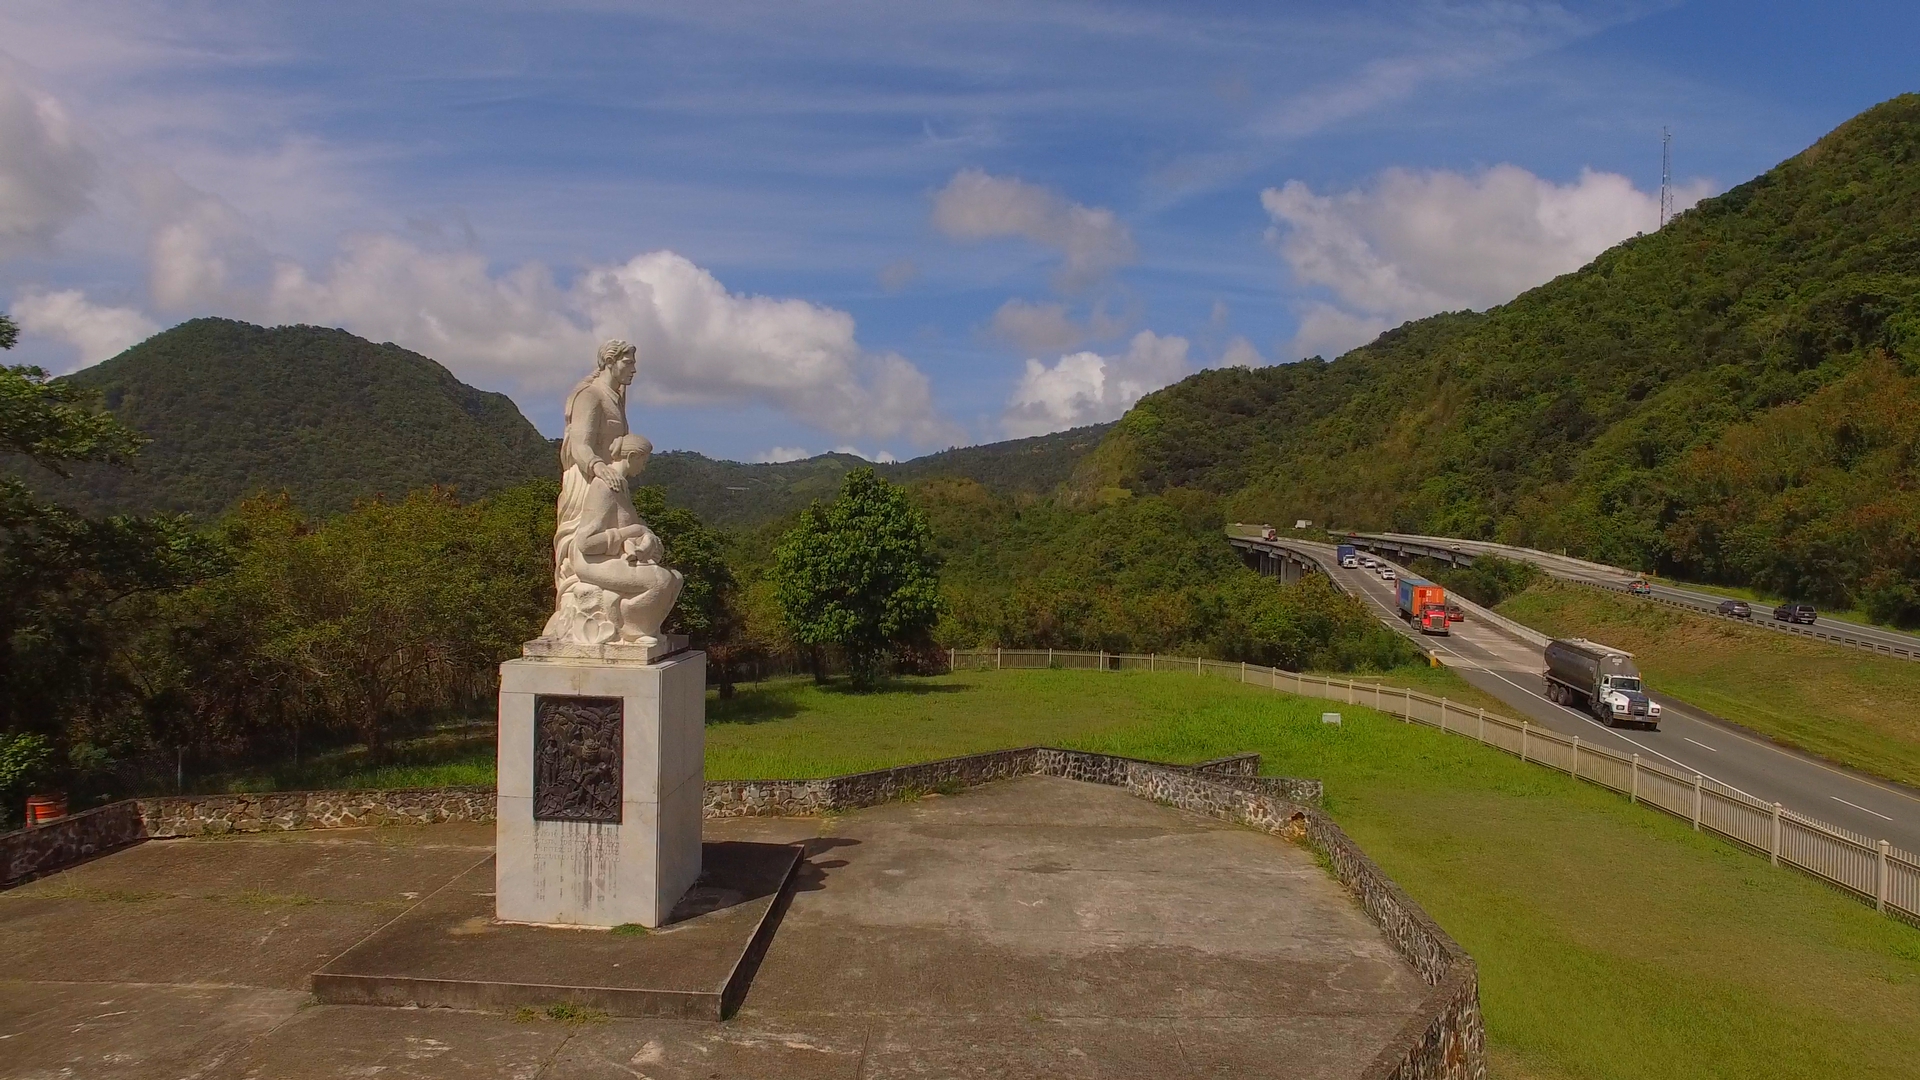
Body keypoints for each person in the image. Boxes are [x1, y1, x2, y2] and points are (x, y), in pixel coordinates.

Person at [568, 433, 682, 643]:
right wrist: (631, 532)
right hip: (591, 560)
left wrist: (649, 539)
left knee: (676, 578)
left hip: (615, 557)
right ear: (630, 456)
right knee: (660, 581)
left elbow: (634, 526)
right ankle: (631, 628)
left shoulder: (621, 486)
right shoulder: (604, 485)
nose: (644, 468)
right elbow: (586, 542)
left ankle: (642, 626)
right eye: (643, 461)